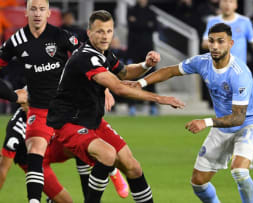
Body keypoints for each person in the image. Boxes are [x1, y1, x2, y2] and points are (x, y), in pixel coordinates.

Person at [46, 10, 184, 203]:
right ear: (89, 32)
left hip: (92, 121)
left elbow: (125, 73)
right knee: (107, 154)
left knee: (133, 166)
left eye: (109, 31)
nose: (105, 36)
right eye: (100, 31)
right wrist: (159, 98)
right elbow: (119, 88)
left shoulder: (104, 54)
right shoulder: (86, 57)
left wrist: (145, 65)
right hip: (69, 122)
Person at [134, 23, 253, 203]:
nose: (215, 46)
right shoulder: (202, 62)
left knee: (240, 172)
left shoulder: (239, 73)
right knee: (198, 183)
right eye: (211, 41)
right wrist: (140, 83)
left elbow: (238, 117)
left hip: (248, 124)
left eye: (221, 41)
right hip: (222, 126)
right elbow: (170, 71)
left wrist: (206, 122)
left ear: (231, 44)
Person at [0, 0, 82, 202]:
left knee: (86, 146)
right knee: (36, 153)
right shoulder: (17, 40)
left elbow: (88, 58)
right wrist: (13, 96)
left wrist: (102, 85)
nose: (37, 13)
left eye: (42, 9)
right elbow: (3, 170)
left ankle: (110, 175)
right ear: (26, 13)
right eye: (33, 9)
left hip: (55, 132)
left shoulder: (61, 36)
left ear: (48, 13)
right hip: (36, 150)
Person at [0, 105, 129, 202]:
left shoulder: (51, 102)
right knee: (67, 201)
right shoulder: (16, 130)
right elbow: (3, 169)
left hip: (52, 148)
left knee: (79, 142)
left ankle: (111, 171)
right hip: (34, 163)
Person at [202, 0, 253, 81]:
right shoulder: (213, 22)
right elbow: (204, 44)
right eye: (225, 1)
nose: (227, 5)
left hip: (239, 73)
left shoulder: (244, 21)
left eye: (231, 1)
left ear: (236, 5)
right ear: (220, 3)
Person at [127, 0, 159, 115]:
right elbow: (132, 26)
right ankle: (131, 106)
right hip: (134, 51)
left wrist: (138, 23)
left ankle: (153, 105)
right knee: (132, 79)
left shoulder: (151, 11)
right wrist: (146, 24)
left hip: (149, 51)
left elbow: (155, 26)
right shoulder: (131, 10)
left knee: (151, 79)